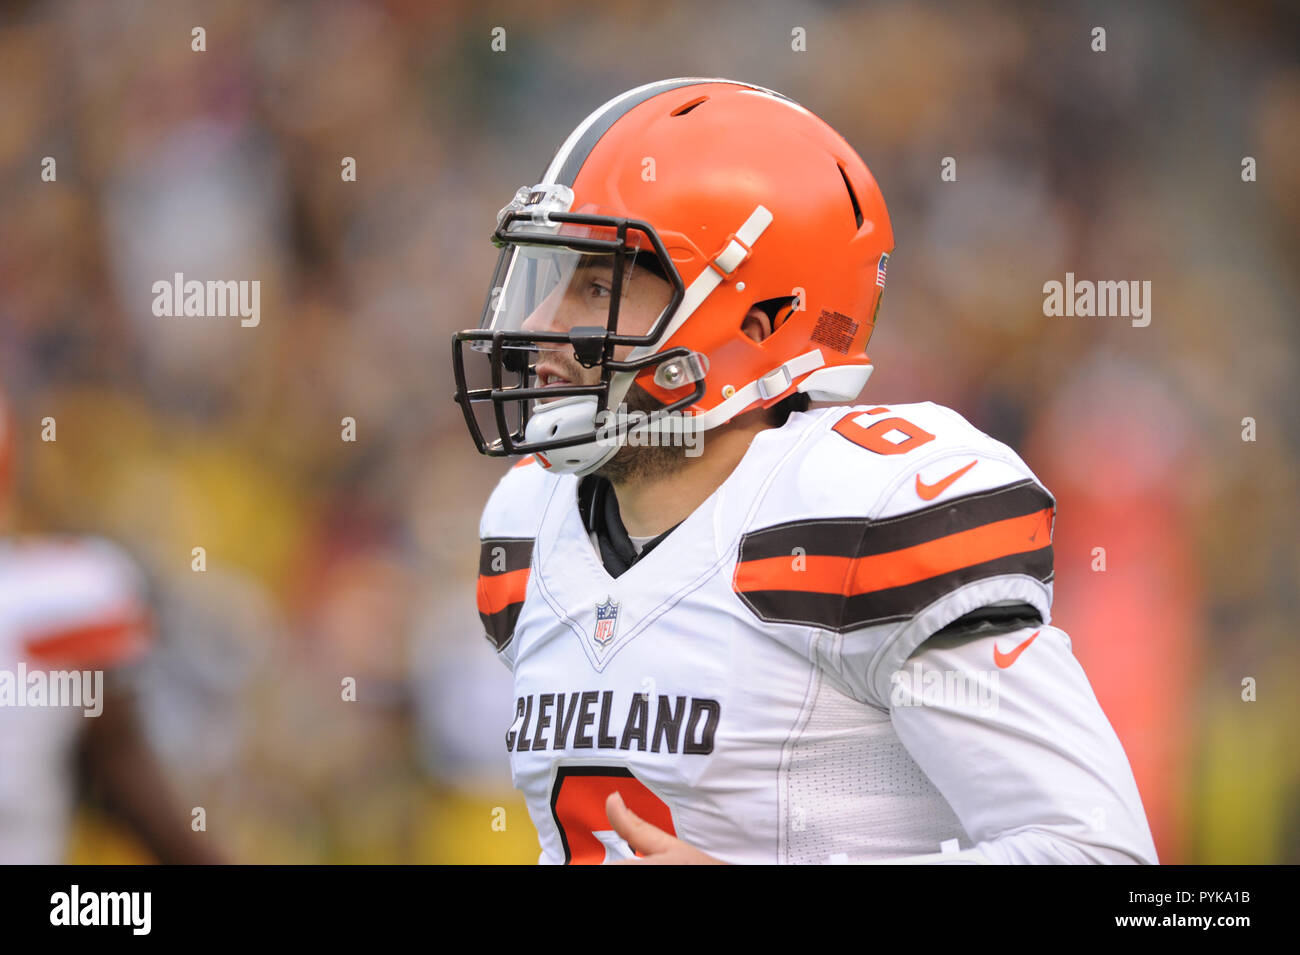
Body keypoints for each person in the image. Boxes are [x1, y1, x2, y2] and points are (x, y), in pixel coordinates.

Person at [451, 78, 1157, 864]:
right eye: (550, 280)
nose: (543, 329)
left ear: (761, 318)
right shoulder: (529, 527)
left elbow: (1106, 858)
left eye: (595, 285)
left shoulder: (864, 516)